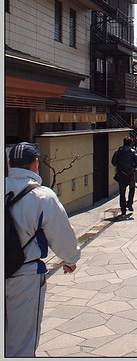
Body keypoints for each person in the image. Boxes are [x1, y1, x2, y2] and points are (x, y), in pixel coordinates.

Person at [5, 142, 80, 357]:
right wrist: (70, 258)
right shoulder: (42, 196)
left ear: (10, 164)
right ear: (36, 163)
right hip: (25, 274)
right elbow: (61, 233)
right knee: (21, 340)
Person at [112, 137, 137, 216]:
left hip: (121, 173)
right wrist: (134, 167)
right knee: (132, 188)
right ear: (130, 143)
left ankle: (123, 208)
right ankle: (129, 203)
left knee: (122, 191)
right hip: (130, 173)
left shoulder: (118, 151)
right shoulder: (132, 151)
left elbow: (113, 162)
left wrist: (118, 166)